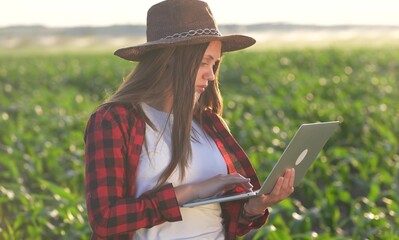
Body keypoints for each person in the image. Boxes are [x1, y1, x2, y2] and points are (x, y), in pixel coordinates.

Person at [84, 0, 295, 239]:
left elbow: (228, 220)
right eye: (204, 62)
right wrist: (191, 191)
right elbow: (105, 219)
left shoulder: (209, 123)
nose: (212, 75)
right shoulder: (115, 121)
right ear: (170, 59)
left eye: (215, 64)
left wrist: (253, 208)